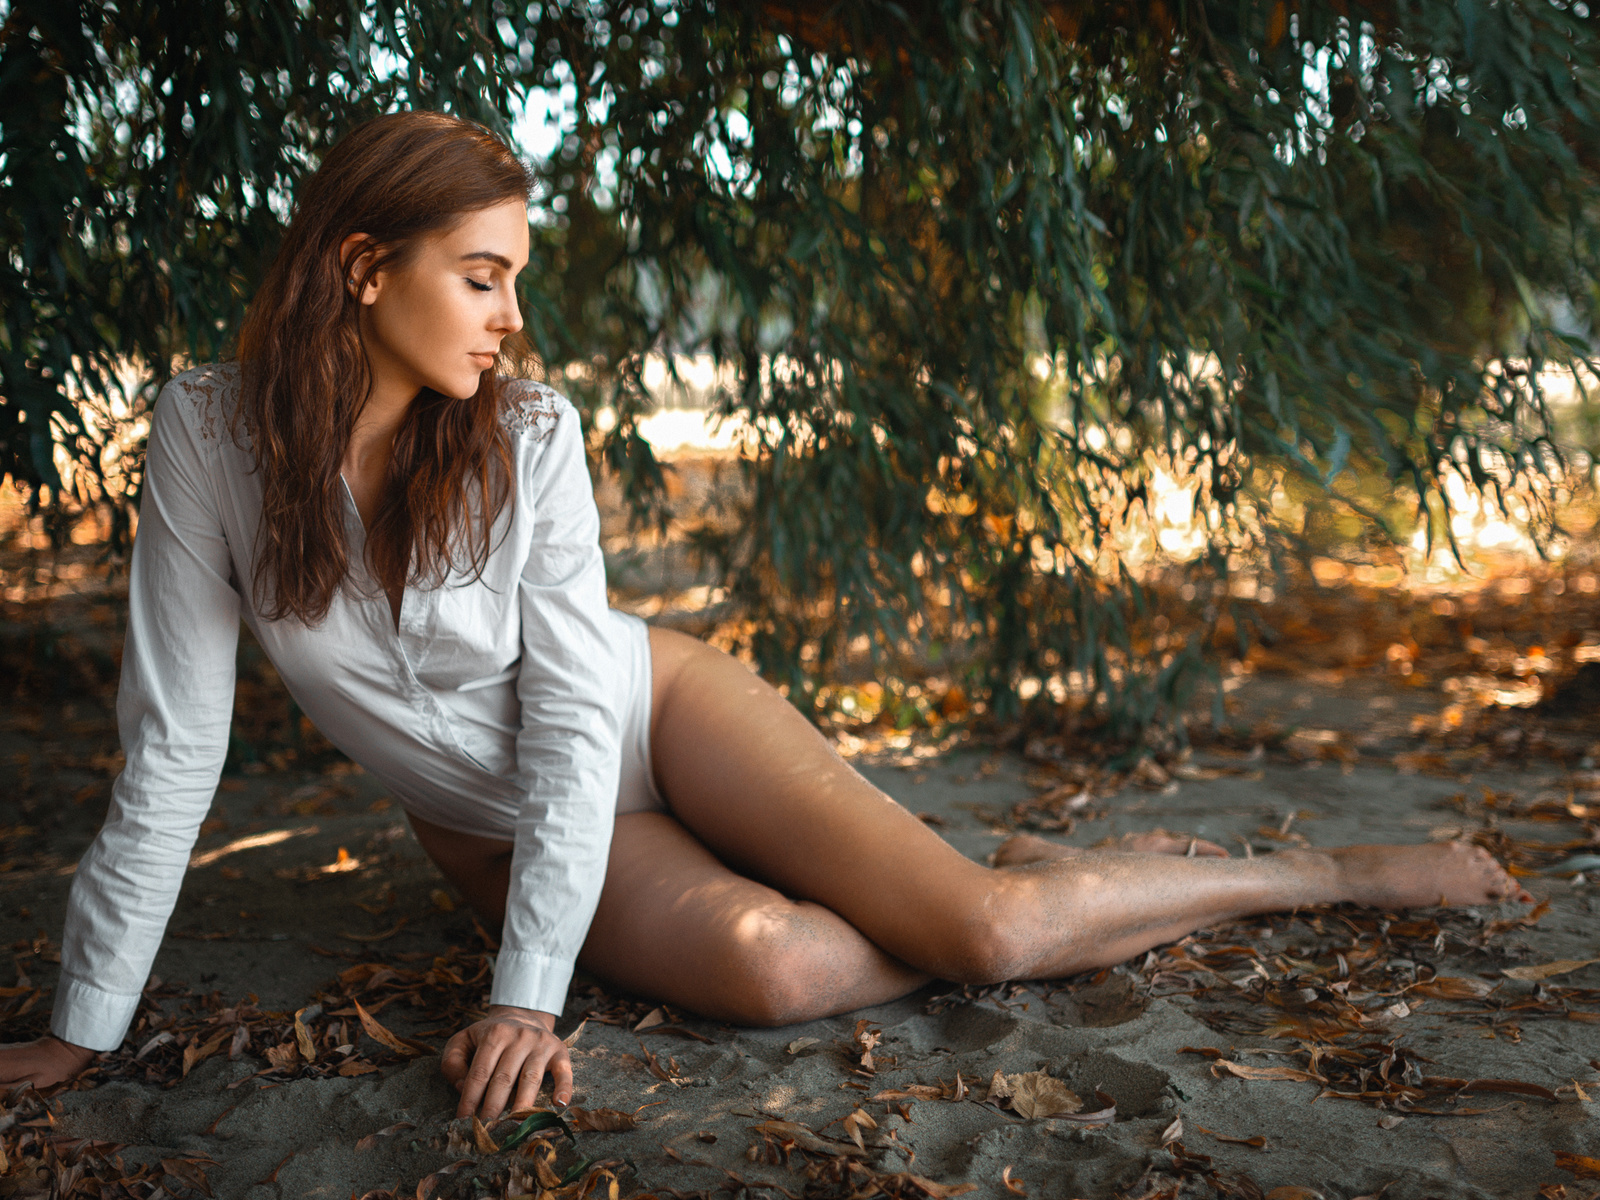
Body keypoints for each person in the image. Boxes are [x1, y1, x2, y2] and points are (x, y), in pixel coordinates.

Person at [0, 111, 1529, 1122]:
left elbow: (588, 705)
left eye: (513, 278)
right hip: (497, 824)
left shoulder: (530, 435)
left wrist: (525, 994)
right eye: (481, 276)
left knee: (987, 941)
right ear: (359, 266)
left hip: (653, 714)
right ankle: (990, 881)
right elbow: (174, 745)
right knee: (781, 973)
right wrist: (85, 1022)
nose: (513, 314)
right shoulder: (204, 437)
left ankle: (1305, 868)